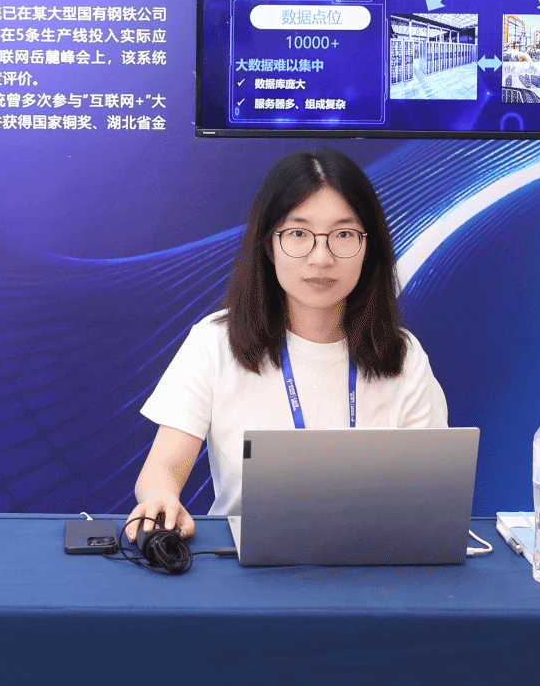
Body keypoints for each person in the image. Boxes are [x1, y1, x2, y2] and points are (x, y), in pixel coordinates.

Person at [128, 148, 448, 538]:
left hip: (372, 557)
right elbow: (162, 468)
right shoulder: (216, 342)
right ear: (269, 244)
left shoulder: (403, 355)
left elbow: (433, 492)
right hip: (242, 559)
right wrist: (162, 498)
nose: (321, 258)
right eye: (298, 234)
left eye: (343, 234)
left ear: (369, 247)